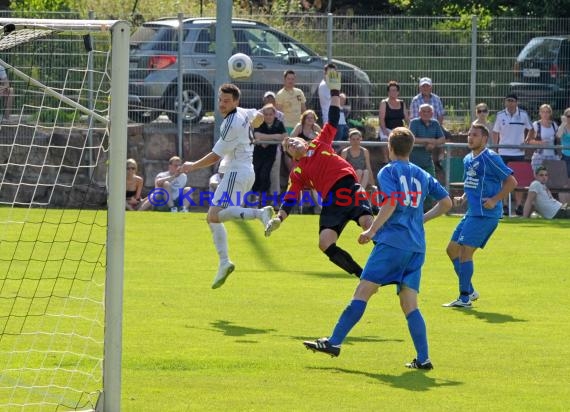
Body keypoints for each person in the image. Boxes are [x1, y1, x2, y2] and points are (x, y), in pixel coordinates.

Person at [302, 126, 452, 370]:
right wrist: (421, 219)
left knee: (363, 291)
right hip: (416, 247)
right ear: (411, 148)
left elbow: (391, 201)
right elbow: (446, 203)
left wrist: (371, 231)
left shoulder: (388, 171)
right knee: (409, 304)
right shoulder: (422, 174)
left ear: (389, 148)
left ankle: (334, 342)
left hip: (392, 244)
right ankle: (423, 358)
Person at [264, 69, 374, 278]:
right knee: (325, 243)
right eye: (289, 146)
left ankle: (391, 261)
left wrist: (335, 93)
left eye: (294, 140)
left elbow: (332, 120)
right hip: (332, 200)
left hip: (348, 187)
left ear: (304, 140)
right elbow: (291, 197)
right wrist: (279, 218)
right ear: (292, 156)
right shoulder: (298, 172)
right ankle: (362, 274)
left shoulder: (320, 142)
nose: (293, 142)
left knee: (367, 225)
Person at [180, 83, 274, 289]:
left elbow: (215, 155)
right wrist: (257, 120)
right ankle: (224, 262)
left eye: (227, 101)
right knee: (212, 218)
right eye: (221, 100)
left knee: (214, 215)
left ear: (236, 102)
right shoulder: (243, 112)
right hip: (244, 172)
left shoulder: (230, 123)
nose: (222, 104)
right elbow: (258, 116)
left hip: (236, 172)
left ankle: (259, 214)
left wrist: (191, 166)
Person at [444, 124, 517, 307]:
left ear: (485, 139)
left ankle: (464, 298)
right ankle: (469, 290)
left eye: (475, 135)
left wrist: (494, 200)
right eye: (469, 134)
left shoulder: (490, 158)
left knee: (465, 253)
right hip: (472, 212)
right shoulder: (468, 158)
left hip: (486, 214)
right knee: (451, 249)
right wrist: (463, 197)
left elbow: (511, 181)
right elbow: (473, 183)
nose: (470, 138)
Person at [492, 93, 532, 215]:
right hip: (503, 152)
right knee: (505, 179)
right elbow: (495, 132)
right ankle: (504, 205)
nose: (510, 103)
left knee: (518, 179)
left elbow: (531, 129)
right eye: (508, 100)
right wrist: (496, 147)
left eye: (512, 100)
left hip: (518, 153)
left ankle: (519, 205)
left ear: (516, 102)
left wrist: (526, 142)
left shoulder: (523, 115)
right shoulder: (500, 115)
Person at [251, 103, 287, 206]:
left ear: (274, 114)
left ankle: (265, 201)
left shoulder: (278, 123)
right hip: (258, 154)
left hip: (271, 155)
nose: (268, 116)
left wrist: (265, 139)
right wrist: (274, 136)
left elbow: (284, 136)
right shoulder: (260, 122)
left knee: (265, 175)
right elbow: (257, 134)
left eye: (270, 114)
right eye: (266, 114)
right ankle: (253, 199)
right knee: (256, 173)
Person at [408, 103, 445, 177]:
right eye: (423, 111)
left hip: (428, 164)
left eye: (428, 111)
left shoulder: (435, 123)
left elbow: (442, 139)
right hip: (413, 163)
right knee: (413, 188)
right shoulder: (414, 122)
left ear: (432, 113)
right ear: (419, 113)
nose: (426, 113)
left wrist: (434, 144)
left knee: (431, 186)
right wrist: (429, 140)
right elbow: (411, 138)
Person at [525, 104, 559, 172]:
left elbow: (558, 138)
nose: (545, 114)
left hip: (553, 156)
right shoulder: (536, 125)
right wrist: (540, 143)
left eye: (547, 112)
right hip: (539, 157)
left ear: (550, 113)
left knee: (553, 179)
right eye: (543, 112)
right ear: (540, 113)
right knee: (539, 179)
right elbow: (529, 140)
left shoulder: (554, 125)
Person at [275, 70, 306, 135]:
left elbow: (304, 110)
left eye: (292, 79)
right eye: (288, 79)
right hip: (287, 127)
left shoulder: (299, 92)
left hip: (299, 126)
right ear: (284, 80)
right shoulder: (280, 94)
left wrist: (303, 123)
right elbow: (279, 114)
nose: (290, 81)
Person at [556, 107, 570, 178]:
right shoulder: (563, 127)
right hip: (565, 156)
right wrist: (563, 123)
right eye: (568, 116)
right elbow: (558, 135)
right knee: (566, 176)